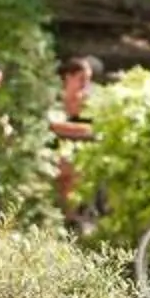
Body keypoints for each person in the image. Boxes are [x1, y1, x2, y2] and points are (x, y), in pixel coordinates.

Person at [51, 55, 101, 230]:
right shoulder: (55, 99)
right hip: (52, 148)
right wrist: (81, 129)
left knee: (77, 171)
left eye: (88, 80)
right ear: (68, 77)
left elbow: (97, 127)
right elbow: (53, 126)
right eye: (81, 79)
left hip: (79, 151)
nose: (85, 85)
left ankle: (70, 219)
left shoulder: (87, 103)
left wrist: (70, 128)